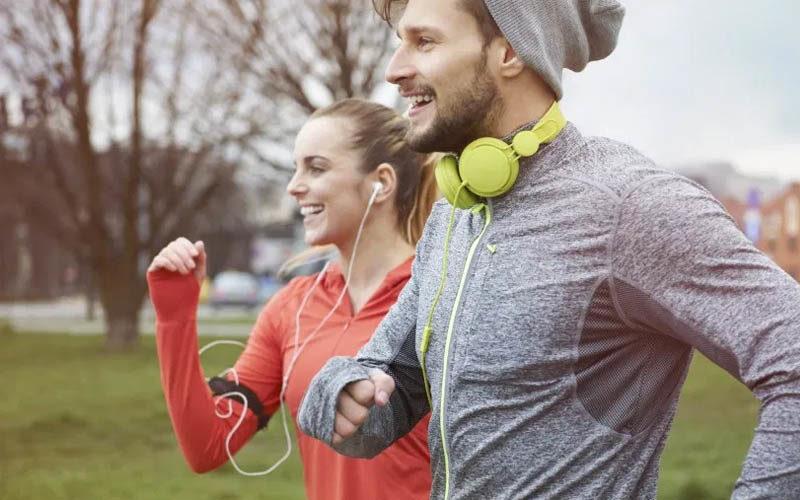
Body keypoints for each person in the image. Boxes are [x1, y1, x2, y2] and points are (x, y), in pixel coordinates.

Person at [297, 1, 800, 498]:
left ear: (511, 51)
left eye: (424, 42)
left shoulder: (628, 205)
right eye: (400, 43)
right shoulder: (457, 211)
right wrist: (346, 392)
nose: (394, 70)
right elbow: (394, 382)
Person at [146, 98, 439, 500]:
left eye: (316, 168)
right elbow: (208, 445)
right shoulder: (293, 308)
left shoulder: (442, 295)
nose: (293, 186)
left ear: (381, 183)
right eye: (295, 168)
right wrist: (174, 316)